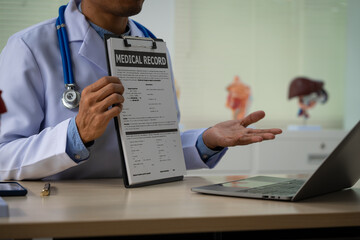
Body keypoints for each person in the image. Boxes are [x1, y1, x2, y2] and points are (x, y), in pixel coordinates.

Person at [0, 0, 282, 180]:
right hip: (68, 218)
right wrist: (76, 134)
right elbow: (3, 158)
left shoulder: (151, 45)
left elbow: (152, 149)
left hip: (143, 210)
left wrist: (207, 140)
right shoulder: (29, 47)